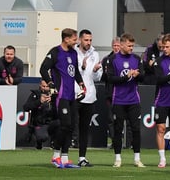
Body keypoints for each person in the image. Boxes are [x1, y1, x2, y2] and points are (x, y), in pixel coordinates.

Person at [39, 28, 85, 168]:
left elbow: (75, 71)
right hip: (60, 95)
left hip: (71, 95)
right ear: (66, 39)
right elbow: (43, 68)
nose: (76, 41)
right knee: (64, 125)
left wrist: (81, 83)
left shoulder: (73, 53)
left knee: (70, 127)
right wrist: (50, 82)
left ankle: (64, 158)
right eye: (74, 39)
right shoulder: (55, 52)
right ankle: (55, 155)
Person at [105, 33, 145, 167]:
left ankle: (137, 158)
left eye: (133, 45)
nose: (131, 48)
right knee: (118, 129)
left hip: (134, 100)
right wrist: (126, 77)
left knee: (136, 129)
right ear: (121, 45)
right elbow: (110, 78)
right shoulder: (113, 59)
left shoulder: (136, 59)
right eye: (129, 45)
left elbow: (143, 76)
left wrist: (137, 75)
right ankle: (117, 158)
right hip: (119, 100)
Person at [73, 29, 102, 167]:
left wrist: (96, 71)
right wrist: (83, 67)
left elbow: (96, 77)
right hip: (74, 95)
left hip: (89, 96)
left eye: (90, 40)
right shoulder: (73, 53)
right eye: (86, 40)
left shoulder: (95, 54)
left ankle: (82, 158)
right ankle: (63, 155)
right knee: (69, 126)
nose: (88, 43)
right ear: (79, 40)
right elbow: (72, 73)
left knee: (84, 129)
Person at [152, 33, 170, 168]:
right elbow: (159, 80)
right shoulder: (158, 61)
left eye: (167, 46)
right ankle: (162, 158)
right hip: (162, 100)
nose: (164, 49)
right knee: (161, 128)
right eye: (163, 47)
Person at [23, 80, 60, 150]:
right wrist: (39, 102)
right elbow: (26, 107)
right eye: (43, 86)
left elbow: (59, 110)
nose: (45, 88)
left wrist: (53, 100)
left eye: (47, 86)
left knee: (62, 123)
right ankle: (38, 142)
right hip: (39, 123)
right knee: (42, 137)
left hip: (51, 122)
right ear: (40, 85)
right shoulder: (35, 94)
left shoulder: (54, 95)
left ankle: (54, 143)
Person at [101, 37, 121, 147]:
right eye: (115, 46)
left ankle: (125, 142)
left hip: (121, 94)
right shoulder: (106, 59)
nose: (117, 48)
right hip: (110, 92)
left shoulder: (125, 59)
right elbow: (103, 77)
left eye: (118, 46)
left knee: (121, 119)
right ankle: (114, 141)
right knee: (110, 119)